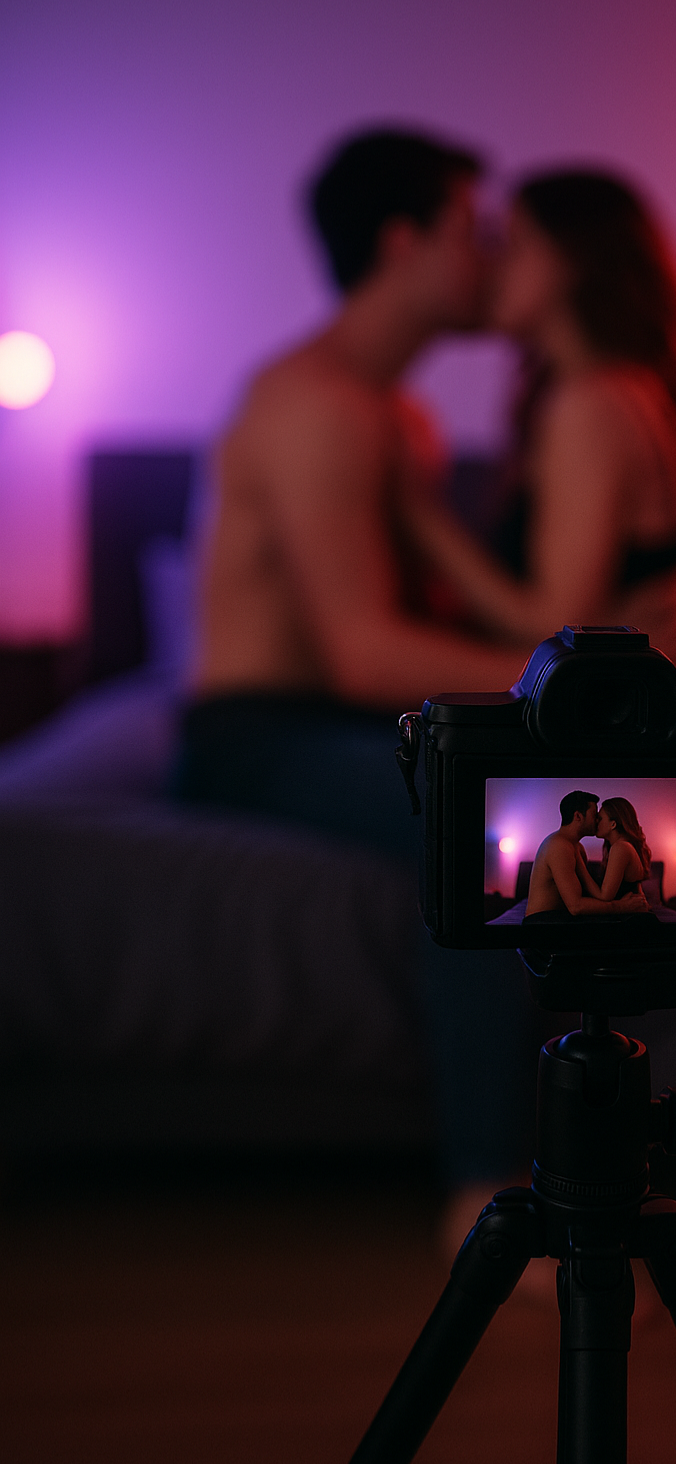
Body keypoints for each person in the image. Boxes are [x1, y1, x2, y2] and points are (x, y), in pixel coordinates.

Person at [172, 128, 536, 1196]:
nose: (494, 257)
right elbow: (362, 654)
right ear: (401, 242)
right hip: (255, 734)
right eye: (474, 231)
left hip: (340, 720)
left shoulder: (398, 419)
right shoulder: (312, 408)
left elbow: (454, 613)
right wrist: (557, 681)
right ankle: (486, 1188)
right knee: (475, 827)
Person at [403, 167, 676, 670]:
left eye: (512, 244)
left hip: (639, 727)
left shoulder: (590, 404)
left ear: (572, 262)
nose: (492, 265)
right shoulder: (625, 387)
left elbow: (555, 626)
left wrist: (419, 517)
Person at [524, 790, 649, 922]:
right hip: (542, 920)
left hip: (561, 917)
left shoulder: (577, 848)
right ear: (578, 816)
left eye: (599, 818)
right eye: (595, 815)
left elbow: (586, 897)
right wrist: (622, 906)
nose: (596, 821)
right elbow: (576, 906)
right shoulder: (559, 846)